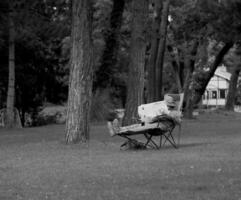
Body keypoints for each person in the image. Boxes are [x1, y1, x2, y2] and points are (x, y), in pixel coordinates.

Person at [107, 95, 182, 137]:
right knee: (138, 125)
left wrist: (169, 115)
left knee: (141, 127)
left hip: (160, 127)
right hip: (154, 124)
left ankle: (118, 131)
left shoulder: (174, 112)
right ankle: (119, 129)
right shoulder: (162, 109)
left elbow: (178, 121)